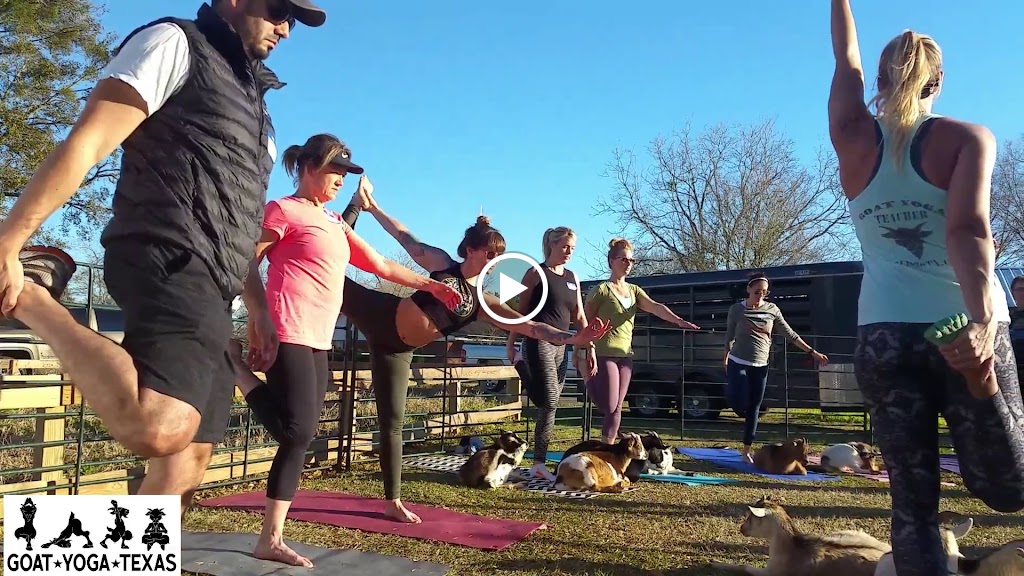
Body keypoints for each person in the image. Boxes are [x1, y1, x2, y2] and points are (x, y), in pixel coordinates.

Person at [0, 0, 328, 516]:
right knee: (160, 425)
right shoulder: (173, 43)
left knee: (188, 462)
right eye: (280, 9)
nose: (286, 28)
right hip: (165, 249)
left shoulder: (257, 107)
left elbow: (238, 218)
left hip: (216, 285)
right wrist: (9, 241)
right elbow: (89, 141)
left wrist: (258, 306)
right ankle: (36, 300)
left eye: (295, 20)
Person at [827, 1, 1024, 573]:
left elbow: (846, 60)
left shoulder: (851, 135)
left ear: (882, 81)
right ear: (939, 81)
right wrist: (983, 323)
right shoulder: (967, 138)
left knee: (912, 507)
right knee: (1009, 489)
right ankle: (980, 382)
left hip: (883, 334)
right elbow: (968, 231)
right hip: (960, 324)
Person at [229, 134, 461, 567]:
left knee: (301, 434)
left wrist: (429, 283)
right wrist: (258, 319)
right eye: (335, 171)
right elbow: (247, 263)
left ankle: (270, 539)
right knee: (296, 432)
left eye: (345, 174)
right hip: (287, 328)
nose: (340, 180)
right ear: (308, 167)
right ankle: (239, 373)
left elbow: (382, 266)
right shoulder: (283, 211)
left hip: (319, 336)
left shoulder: (335, 222)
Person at [339, 190, 611, 521]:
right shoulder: (442, 264)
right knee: (329, 264)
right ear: (470, 251)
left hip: (397, 349)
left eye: (500, 256)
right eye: (490, 254)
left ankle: (393, 501)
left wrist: (575, 338)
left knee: (392, 423)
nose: (495, 261)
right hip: (379, 313)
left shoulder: (484, 300)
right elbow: (404, 237)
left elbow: (531, 328)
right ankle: (348, 208)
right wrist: (371, 207)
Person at [583, 238, 699, 444]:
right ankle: (588, 379)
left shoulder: (634, 290)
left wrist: (679, 321)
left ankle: (607, 448)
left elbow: (655, 306)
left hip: (625, 355)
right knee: (608, 406)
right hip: (604, 353)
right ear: (611, 261)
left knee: (617, 407)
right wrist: (586, 348)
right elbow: (585, 321)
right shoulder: (601, 290)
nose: (628, 263)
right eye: (624, 259)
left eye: (632, 260)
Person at [504, 227, 595, 481]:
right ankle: (539, 462)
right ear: (552, 245)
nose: (569, 252)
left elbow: (578, 315)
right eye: (565, 246)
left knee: (547, 405)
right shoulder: (535, 273)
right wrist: (512, 344)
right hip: (538, 341)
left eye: (573, 248)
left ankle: (538, 462)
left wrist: (589, 345)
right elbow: (520, 313)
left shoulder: (572, 277)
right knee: (552, 400)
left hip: (562, 345)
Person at [723, 272, 828, 463]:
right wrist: (726, 355)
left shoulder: (772, 309)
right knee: (737, 401)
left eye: (764, 292)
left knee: (755, 407)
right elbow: (729, 335)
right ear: (748, 289)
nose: (760, 295)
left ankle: (746, 450)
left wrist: (812, 352)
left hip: (761, 364)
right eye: (757, 291)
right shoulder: (736, 310)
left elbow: (790, 334)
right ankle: (734, 397)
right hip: (738, 361)